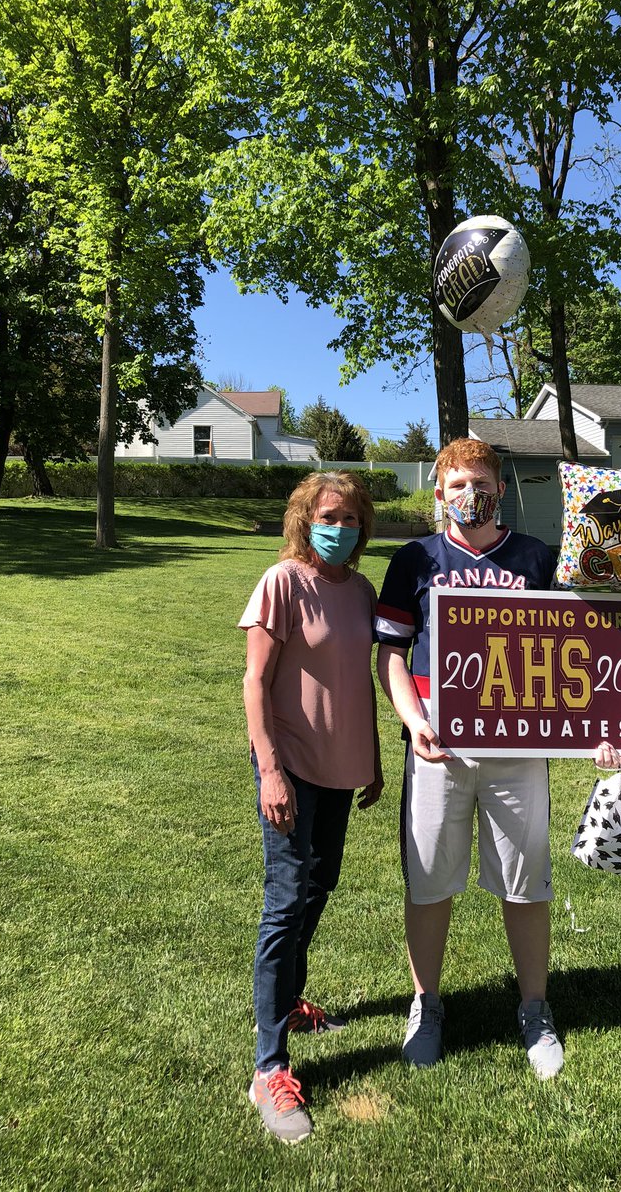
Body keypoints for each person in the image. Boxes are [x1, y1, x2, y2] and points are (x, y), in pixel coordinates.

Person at [375, 439, 621, 1080]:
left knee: (526, 881)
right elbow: (391, 656)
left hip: (518, 752)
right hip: (439, 748)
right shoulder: (414, 560)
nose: (469, 493)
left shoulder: (536, 558)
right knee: (430, 884)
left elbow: (583, 649)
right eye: (457, 482)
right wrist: (413, 719)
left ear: (501, 489)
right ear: (438, 491)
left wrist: (597, 727)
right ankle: (426, 1005)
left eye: (480, 481)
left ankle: (534, 1008)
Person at [239, 471, 383, 1143]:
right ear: (305, 519)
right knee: (287, 897)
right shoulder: (282, 583)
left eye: (352, 518)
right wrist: (269, 770)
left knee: (320, 887)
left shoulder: (361, 592)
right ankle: (269, 1068)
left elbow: (360, 683)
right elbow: (255, 681)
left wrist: (375, 760)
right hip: (290, 767)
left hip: (342, 767)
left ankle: (289, 1002)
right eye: (330, 515)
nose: (341, 527)